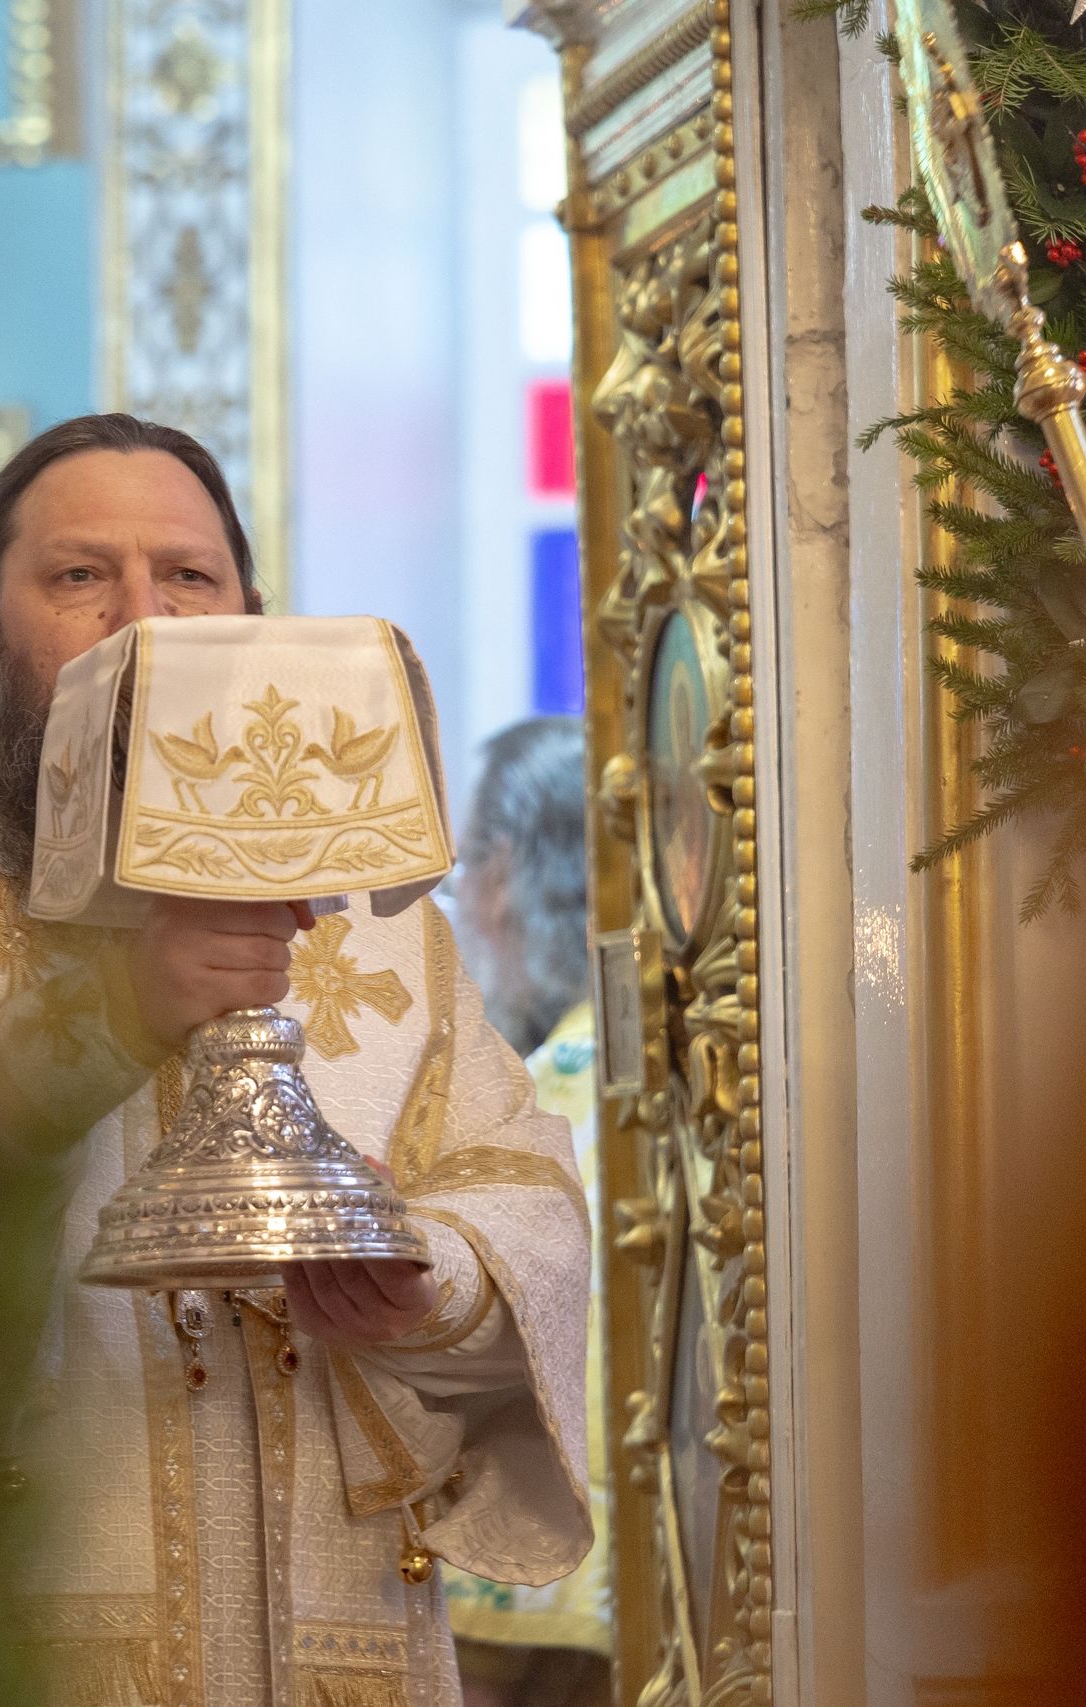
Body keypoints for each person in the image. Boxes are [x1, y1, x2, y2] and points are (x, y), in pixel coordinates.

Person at [0, 413, 596, 1707]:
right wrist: (106, 1017)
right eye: (78, 576)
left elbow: (526, 1191)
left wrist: (425, 1284)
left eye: (187, 576)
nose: (143, 620)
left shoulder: (381, 923)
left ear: (249, 618)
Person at [446, 717, 613, 1707]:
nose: (461, 895)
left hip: (527, 1611)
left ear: (505, 876)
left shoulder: (534, 1108)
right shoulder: (665, 1077)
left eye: (468, 862)